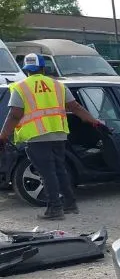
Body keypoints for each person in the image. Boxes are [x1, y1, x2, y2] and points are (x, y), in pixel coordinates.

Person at [0, 53, 106, 219]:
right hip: (59, 135)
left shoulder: (21, 87)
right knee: (59, 170)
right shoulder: (58, 86)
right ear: (43, 68)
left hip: (37, 136)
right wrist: (94, 122)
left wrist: (3, 136)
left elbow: (14, 115)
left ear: (26, 70)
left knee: (47, 173)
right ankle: (70, 204)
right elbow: (76, 107)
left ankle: (55, 209)